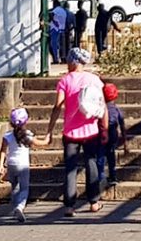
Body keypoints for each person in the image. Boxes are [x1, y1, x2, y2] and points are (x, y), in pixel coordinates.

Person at [46, 48, 108, 216]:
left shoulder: (65, 81)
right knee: (92, 164)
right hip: (91, 130)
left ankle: (69, 206)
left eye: (68, 60)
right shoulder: (94, 80)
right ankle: (94, 202)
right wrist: (105, 128)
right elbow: (102, 106)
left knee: (70, 169)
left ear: (73, 62)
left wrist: (49, 130)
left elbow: (58, 106)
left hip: (70, 132)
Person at [0, 107, 49, 223]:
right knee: (24, 188)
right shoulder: (28, 135)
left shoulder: (7, 136)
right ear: (26, 121)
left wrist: (1, 165)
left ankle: (15, 206)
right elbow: (39, 143)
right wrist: (47, 140)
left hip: (11, 164)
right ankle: (20, 207)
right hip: (23, 166)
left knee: (14, 187)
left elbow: (2, 150)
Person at [96, 83, 129, 187]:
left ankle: (100, 176)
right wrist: (125, 141)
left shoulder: (100, 108)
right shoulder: (116, 109)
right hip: (113, 134)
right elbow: (122, 125)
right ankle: (113, 175)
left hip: (101, 134)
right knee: (111, 155)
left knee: (100, 155)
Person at [49, 0, 68, 64]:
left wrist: (54, 21)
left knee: (54, 45)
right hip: (62, 29)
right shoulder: (63, 11)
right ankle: (62, 58)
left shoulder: (56, 9)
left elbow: (51, 14)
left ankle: (56, 59)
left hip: (55, 29)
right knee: (61, 45)